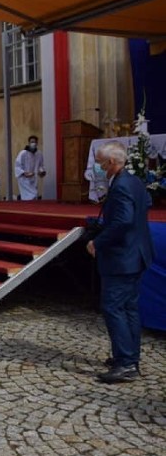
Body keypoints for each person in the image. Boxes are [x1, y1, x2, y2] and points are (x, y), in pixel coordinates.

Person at [86, 141, 154, 384]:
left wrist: (98, 242)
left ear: (112, 163)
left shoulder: (122, 185)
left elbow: (123, 221)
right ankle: (128, 356)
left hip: (122, 258)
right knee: (129, 308)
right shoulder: (134, 181)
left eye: (101, 163)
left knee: (114, 307)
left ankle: (126, 364)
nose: (99, 168)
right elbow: (146, 204)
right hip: (137, 254)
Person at [15, 135, 46, 201]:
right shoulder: (23, 153)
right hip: (24, 179)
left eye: (35, 142)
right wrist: (24, 173)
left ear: (37, 143)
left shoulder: (39, 154)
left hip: (33, 178)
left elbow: (41, 165)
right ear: (29, 143)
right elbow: (17, 166)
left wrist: (41, 171)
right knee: (32, 195)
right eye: (32, 142)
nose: (33, 144)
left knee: (35, 195)